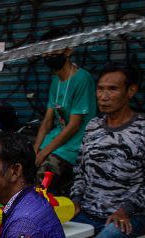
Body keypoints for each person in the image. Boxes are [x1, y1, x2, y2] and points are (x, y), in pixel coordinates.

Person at [70, 63, 145, 238]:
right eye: (100, 89)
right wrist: (75, 199)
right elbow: (80, 170)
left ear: (130, 91)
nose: (103, 96)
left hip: (128, 215)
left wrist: (126, 209)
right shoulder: (93, 126)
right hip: (88, 211)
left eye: (112, 89)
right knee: (52, 233)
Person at [32, 29, 97, 195]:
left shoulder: (82, 78)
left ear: (68, 50)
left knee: (45, 175)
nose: (49, 55)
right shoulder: (55, 81)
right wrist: (35, 149)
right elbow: (47, 120)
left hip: (75, 144)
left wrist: (44, 153)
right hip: (56, 141)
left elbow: (75, 125)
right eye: (45, 51)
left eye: (54, 50)